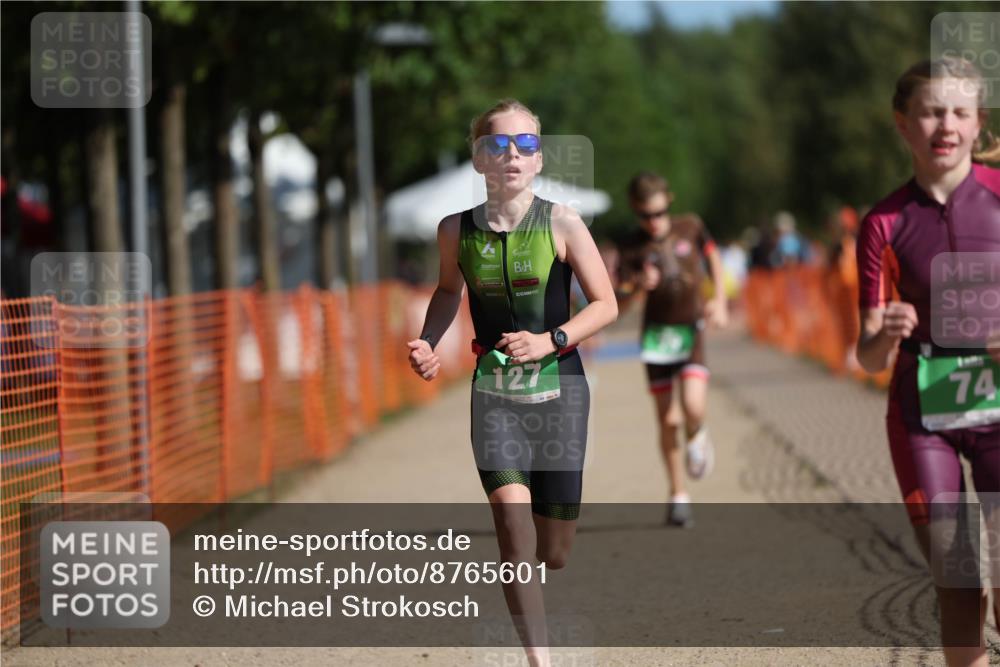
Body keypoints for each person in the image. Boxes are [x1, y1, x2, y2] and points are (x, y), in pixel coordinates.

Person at [406, 99, 617, 666]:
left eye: (525, 145)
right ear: (479, 159)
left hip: (561, 392)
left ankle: (553, 550)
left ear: (539, 157)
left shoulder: (563, 222)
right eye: (498, 145)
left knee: (555, 550)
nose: (512, 155)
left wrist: (552, 341)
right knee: (511, 526)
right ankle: (538, 659)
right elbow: (449, 292)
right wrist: (429, 341)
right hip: (493, 395)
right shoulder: (455, 231)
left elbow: (606, 305)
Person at [856, 57, 1000, 667]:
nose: (946, 124)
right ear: (903, 124)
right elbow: (864, 356)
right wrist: (885, 334)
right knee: (957, 578)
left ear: (977, 124)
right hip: (922, 413)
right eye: (931, 111)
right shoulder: (882, 223)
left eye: (960, 112)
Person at [615, 172, 728, 527]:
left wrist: (720, 300)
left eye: (660, 213)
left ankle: (698, 433)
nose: (654, 222)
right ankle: (678, 494)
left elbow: (714, 260)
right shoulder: (631, 246)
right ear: (635, 211)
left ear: (669, 203)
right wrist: (637, 287)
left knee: (693, 405)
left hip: (690, 328)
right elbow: (618, 301)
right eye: (646, 216)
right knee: (667, 419)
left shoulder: (690, 226)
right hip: (655, 337)